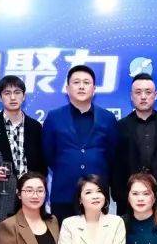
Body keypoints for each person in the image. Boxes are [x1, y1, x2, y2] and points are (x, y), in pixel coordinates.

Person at [42, 65, 119, 223]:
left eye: (86, 82)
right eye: (76, 82)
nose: (82, 86)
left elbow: (113, 155)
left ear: (94, 89)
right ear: (67, 88)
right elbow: (48, 154)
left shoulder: (108, 118)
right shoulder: (54, 117)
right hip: (64, 193)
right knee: (63, 238)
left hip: (97, 195)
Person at [0, 75, 47, 223]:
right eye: (7, 93)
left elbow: (42, 165)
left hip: (31, 197)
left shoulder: (35, 127)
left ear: (24, 96)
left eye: (17, 92)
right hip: (0, 198)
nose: (13, 97)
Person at [112, 73, 157, 217]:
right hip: (129, 202)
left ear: (155, 95)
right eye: (138, 92)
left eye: (148, 92)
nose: (143, 97)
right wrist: (121, 196)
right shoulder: (120, 127)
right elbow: (115, 166)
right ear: (131, 96)